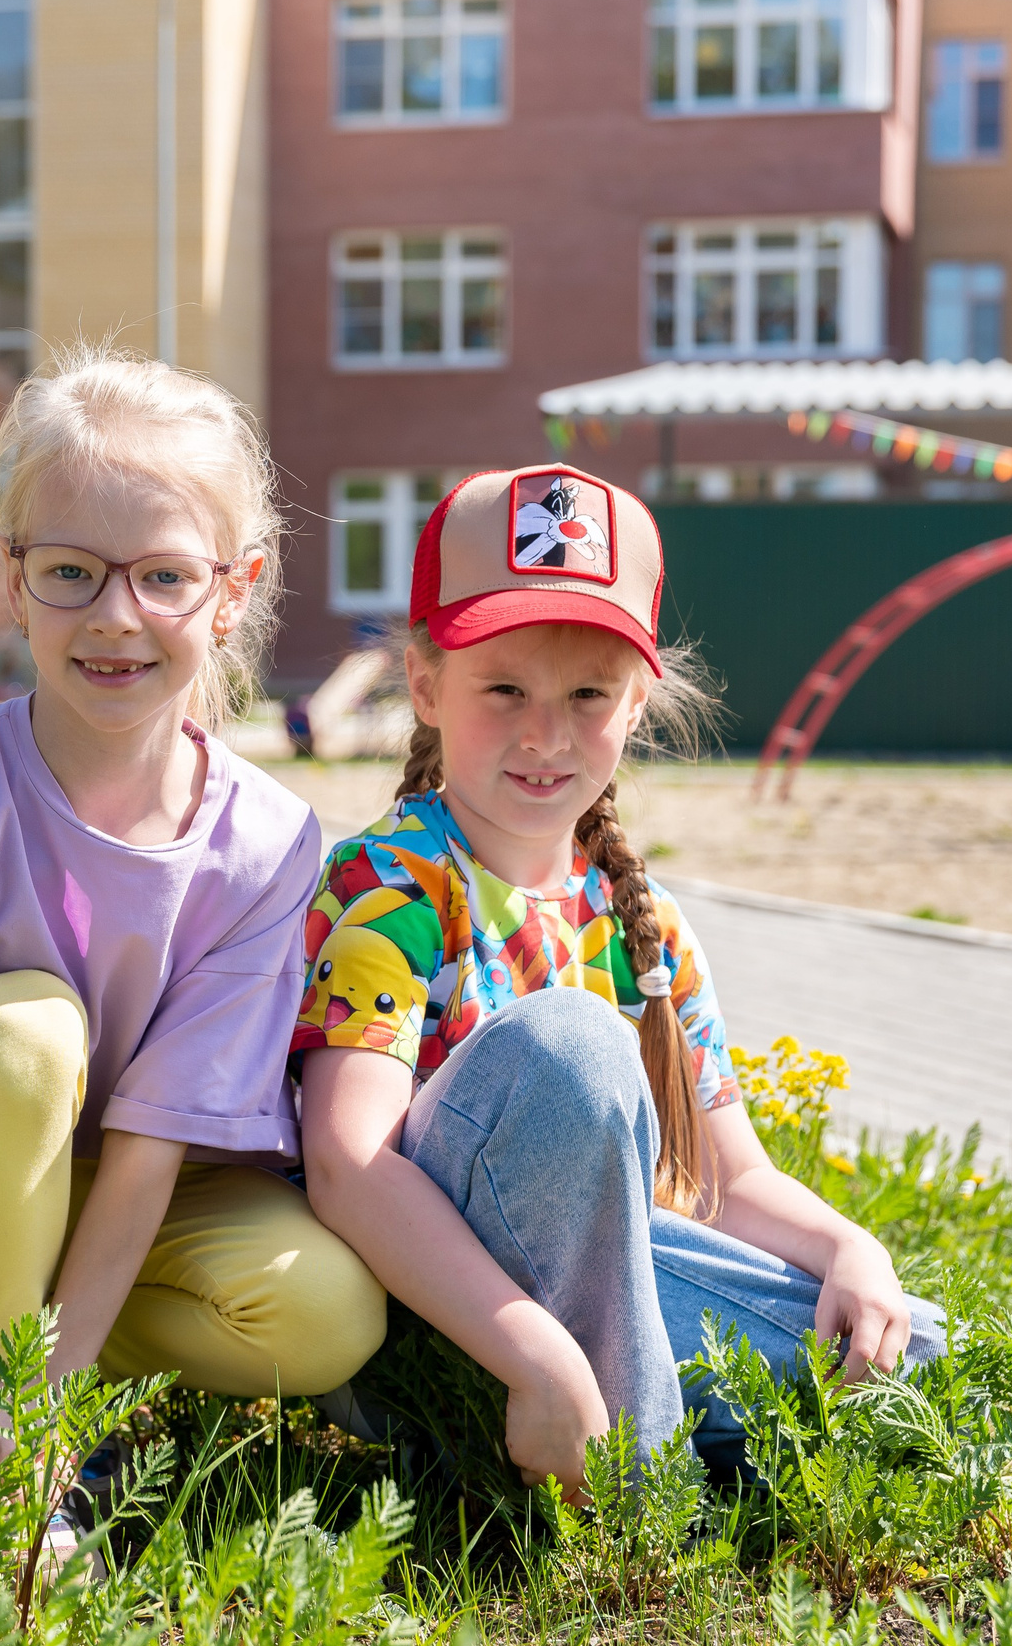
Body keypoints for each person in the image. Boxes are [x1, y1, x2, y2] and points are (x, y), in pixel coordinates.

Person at [293, 464, 943, 1493]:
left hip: (607, 1282)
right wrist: (535, 1353)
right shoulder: (392, 884)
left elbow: (727, 1181)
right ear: (424, 683)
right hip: (436, 1310)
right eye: (503, 688)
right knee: (571, 1042)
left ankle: (637, 1432)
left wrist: (848, 1245)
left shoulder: (648, 927)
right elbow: (345, 1163)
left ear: (636, 702)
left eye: (587, 694)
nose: (545, 734)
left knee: (906, 1347)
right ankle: (636, 1493)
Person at [0, 348, 383, 1400]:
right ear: (15, 581)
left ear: (234, 590)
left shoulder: (269, 844)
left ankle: (29, 1372)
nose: (115, 615)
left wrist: (51, 1389)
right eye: (69, 570)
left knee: (327, 1314)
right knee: (26, 1030)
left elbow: (152, 1147)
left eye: (165, 576)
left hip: (142, 1195)